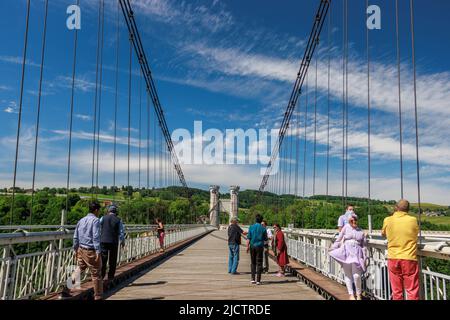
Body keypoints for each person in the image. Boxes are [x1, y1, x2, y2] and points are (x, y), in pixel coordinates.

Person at [382, 199, 420, 300]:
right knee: (412, 290)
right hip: (409, 258)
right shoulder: (413, 220)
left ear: (396, 208)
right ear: (408, 209)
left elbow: (383, 234)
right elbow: (416, 233)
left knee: (396, 291)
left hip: (393, 257)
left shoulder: (387, 219)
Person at [329, 214, 367, 300]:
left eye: (355, 220)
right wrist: (333, 248)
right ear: (349, 221)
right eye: (351, 221)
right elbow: (339, 239)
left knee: (356, 276)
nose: (353, 222)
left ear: (357, 221)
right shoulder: (345, 227)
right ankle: (351, 294)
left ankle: (358, 294)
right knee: (348, 275)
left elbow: (363, 245)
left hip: (357, 254)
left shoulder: (360, 231)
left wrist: (365, 257)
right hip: (346, 253)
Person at [73, 201, 103, 300]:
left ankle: (65, 290)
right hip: (91, 251)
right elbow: (95, 236)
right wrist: (98, 251)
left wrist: (75, 249)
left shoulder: (81, 220)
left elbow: (75, 237)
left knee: (79, 269)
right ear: (96, 210)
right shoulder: (95, 220)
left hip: (81, 249)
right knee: (96, 274)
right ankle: (98, 296)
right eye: (99, 210)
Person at [100, 205, 125, 281]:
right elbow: (121, 232)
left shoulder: (103, 218)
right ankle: (110, 276)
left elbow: (97, 226)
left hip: (103, 240)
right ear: (116, 212)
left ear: (108, 211)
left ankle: (101, 276)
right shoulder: (118, 220)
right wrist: (122, 241)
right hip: (114, 241)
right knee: (113, 259)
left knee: (103, 259)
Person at [246, 214, 267, 285]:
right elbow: (265, 239)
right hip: (260, 246)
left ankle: (252, 279)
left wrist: (247, 246)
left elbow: (249, 237)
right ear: (261, 220)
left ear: (256, 220)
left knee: (253, 262)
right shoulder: (263, 228)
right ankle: (258, 280)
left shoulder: (251, 227)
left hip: (252, 246)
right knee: (259, 262)